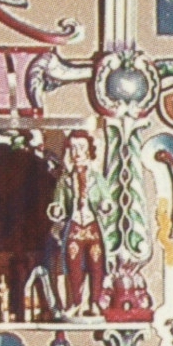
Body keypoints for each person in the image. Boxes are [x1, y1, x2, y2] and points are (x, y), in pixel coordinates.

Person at [46, 130, 108, 318]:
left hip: (92, 224)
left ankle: (94, 302)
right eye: (73, 148)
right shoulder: (65, 180)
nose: (77, 152)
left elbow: (106, 198)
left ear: (89, 150)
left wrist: (104, 205)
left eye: (81, 147)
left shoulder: (96, 178)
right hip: (74, 224)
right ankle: (76, 301)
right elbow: (58, 202)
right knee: (72, 264)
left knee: (96, 264)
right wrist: (57, 210)